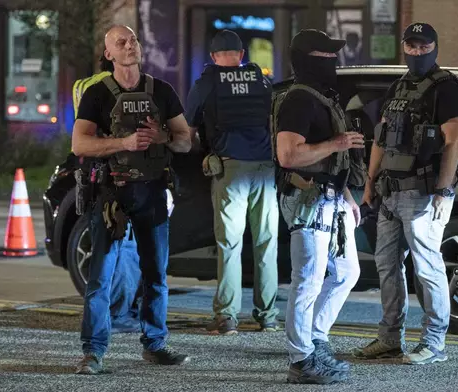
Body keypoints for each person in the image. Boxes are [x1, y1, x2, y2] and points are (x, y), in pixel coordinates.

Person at [71, 25, 192, 374]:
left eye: (134, 40)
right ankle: (93, 352)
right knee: (101, 279)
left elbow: (185, 141)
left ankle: (155, 344)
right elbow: (80, 144)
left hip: (152, 191)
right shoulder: (97, 94)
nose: (130, 45)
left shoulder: (162, 90)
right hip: (110, 194)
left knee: (156, 275)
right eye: (121, 42)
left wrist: (164, 135)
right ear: (109, 54)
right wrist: (122, 144)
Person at [353, 22, 458, 365]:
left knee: (427, 267)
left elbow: (454, 140)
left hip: (423, 190)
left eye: (423, 46)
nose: (417, 52)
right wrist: (370, 183)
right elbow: (381, 138)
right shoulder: (398, 86)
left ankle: (434, 343)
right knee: (387, 267)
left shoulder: (446, 88)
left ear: (434, 48)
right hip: (390, 191)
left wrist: (444, 190)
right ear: (404, 47)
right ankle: (389, 338)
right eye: (412, 46)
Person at [273, 29, 367, 384]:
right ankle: (301, 359)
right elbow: (288, 154)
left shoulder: (321, 96)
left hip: (330, 196)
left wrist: (346, 198)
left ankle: (315, 340)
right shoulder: (299, 99)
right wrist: (337, 142)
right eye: (325, 57)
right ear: (307, 60)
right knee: (308, 280)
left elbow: (333, 160)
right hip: (306, 199)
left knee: (345, 273)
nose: (333, 63)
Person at [184, 29, 279, 335]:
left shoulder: (206, 83)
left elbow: (188, 132)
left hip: (231, 169)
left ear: (213, 57)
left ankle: (227, 317)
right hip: (265, 168)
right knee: (267, 244)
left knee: (230, 245)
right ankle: (268, 316)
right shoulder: (261, 81)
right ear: (241, 55)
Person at [72, 53, 141, 335]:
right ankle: (121, 313)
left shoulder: (82, 85)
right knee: (126, 248)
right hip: (117, 169)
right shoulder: (114, 88)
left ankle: (103, 319)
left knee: (102, 253)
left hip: (90, 170)